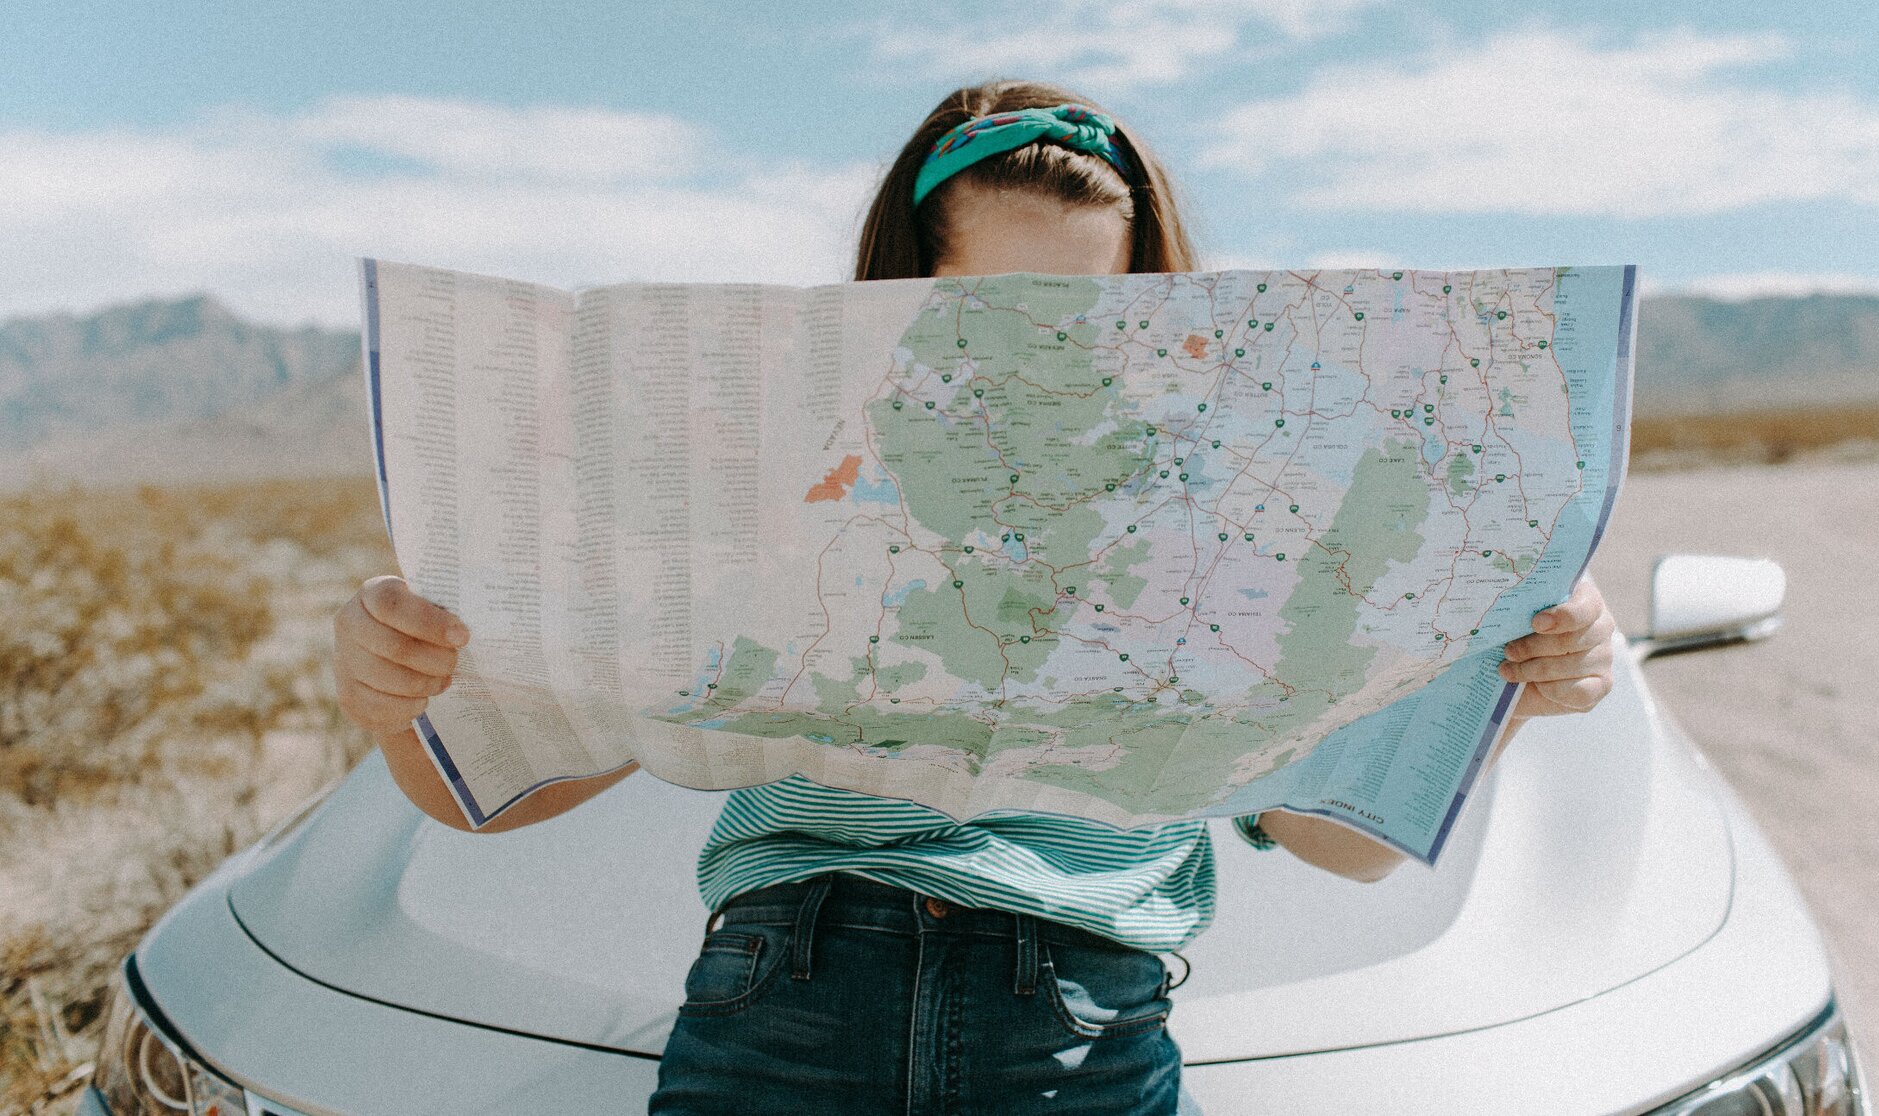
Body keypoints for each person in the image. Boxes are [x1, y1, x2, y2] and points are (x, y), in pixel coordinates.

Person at [331, 79, 1618, 1115]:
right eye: (988, 308)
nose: (1034, 349)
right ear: (900, 295)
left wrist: (1497, 686)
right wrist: (402, 695)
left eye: (1082, 312)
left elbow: (1342, 845)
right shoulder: (774, 471)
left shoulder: (1241, 507)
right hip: (785, 993)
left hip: (1081, 1026)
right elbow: (490, 797)